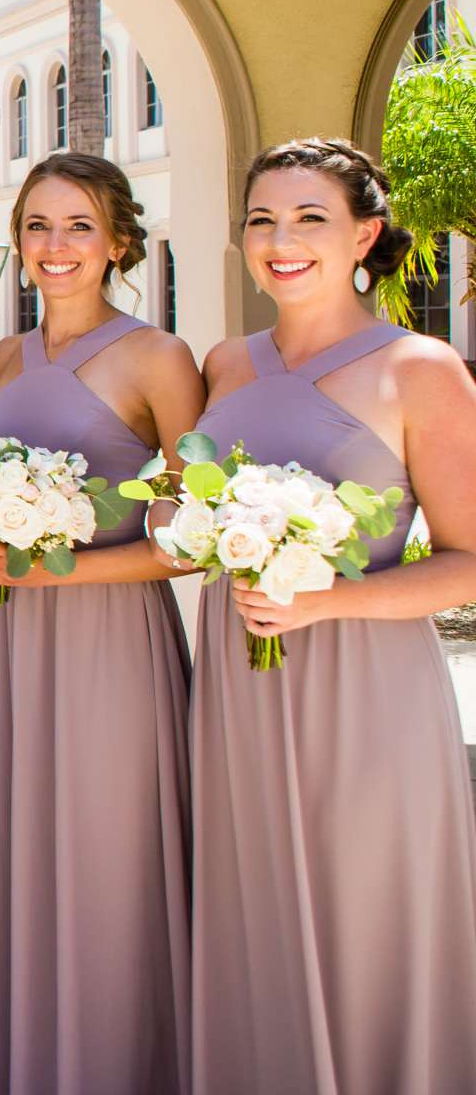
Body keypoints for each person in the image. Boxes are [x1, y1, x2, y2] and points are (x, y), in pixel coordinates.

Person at [187, 137, 476, 1091]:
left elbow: (471, 565)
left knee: (366, 922)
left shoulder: (421, 367)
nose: (282, 240)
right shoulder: (227, 362)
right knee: (251, 909)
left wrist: (331, 600)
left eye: (311, 217)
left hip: (366, 696)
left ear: (366, 234)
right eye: (263, 219)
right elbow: (180, 508)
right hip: (237, 680)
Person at [0, 151, 201, 1095]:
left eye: (79, 225)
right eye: (38, 225)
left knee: (113, 847)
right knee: (34, 843)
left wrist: (65, 567)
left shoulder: (159, 356)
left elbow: (197, 534)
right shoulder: (2, 363)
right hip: (24, 644)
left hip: (116, 638)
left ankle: (129, 1064)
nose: (56, 245)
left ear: (119, 240)